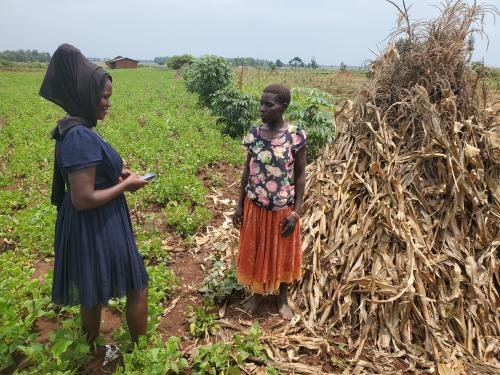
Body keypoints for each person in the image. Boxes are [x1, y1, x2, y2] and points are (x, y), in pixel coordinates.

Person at [39, 44, 149, 350]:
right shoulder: (79, 135)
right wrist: (125, 187)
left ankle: (89, 350)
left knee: (91, 290)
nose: (107, 104)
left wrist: (116, 174)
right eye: (104, 98)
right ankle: (142, 355)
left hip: (90, 222)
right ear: (86, 96)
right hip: (95, 221)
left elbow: (88, 176)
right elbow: (83, 198)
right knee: (137, 287)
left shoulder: (77, 129)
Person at [233, 84, 306, 319]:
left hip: (282, 209)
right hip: (255, 205)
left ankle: (282, 299)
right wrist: (239, 204)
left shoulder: (295, 135)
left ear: (283, 107)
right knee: (256, 250)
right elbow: (247, 170)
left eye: (269, 105)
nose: (262, 108)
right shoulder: (254, 134)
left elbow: (300, 176)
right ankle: (257, 294)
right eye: (261, 103)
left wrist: (295, 214)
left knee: (282, 253)